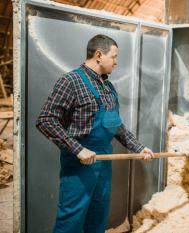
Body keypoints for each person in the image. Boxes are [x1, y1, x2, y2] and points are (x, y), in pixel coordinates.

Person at [36, 34, 154, 233]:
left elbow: (115, 125)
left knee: (98, 216)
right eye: (114, 56)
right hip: (79, 164)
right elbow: (45, 120)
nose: (116, 62)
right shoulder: (70, 81)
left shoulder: (108, 87)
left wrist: (138, 146)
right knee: (71, 219)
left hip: (104, 160)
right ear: (99, 55)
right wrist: (78, 149)